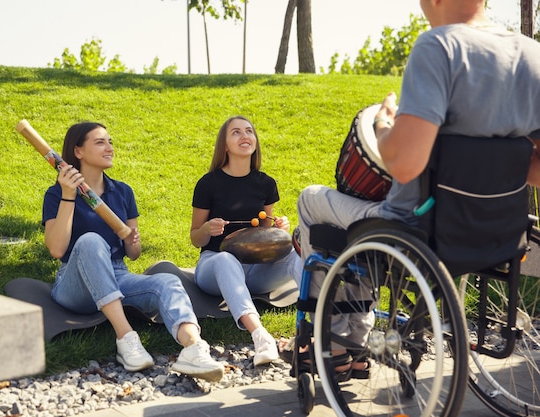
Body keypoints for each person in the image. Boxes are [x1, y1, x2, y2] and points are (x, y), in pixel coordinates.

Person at [295, 0, 540, 377]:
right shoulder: (532, 54)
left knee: (312, 200)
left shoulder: (439, 46)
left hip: (418, 226)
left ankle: (329, 344)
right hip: (500, 231)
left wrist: (383, 123)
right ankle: (357, 340)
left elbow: (404, 163)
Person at [42, 122, 224, 382]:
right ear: (78, 152)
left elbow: (134, 254)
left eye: (110, 142)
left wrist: (131, 240)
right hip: (74, 284)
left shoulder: (123, 192)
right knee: (91, 241)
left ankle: (194, 349)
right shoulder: (56, 193)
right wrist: (69, 195)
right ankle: (126, 338)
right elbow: (57, 249)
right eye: (100, 142)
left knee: (168, 281)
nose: (109, 148)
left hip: (118, 273)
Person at [190, 115, 302, 366]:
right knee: (226, 259)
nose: (245, 136)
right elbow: (195, 238)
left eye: (249, 131)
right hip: (214, 265)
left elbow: (264, 231)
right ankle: (260, 335)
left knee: (296, 252)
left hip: (256, 268)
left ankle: (318, 323)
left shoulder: (265, 183)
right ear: (225, 145)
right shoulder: (208, 184)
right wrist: (207, 228)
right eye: (236, 132)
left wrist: (278, 227)